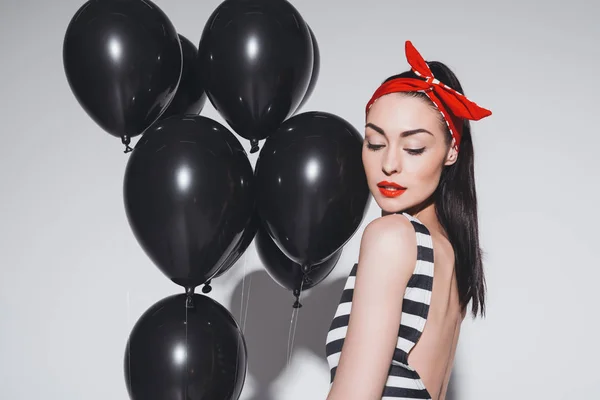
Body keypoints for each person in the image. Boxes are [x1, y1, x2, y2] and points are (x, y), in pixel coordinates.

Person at [324, 41, 492, 400]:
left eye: (414, 147)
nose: (389, 164)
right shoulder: (452, 254)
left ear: (452, 151)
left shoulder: (393, 237)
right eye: (374, 142)